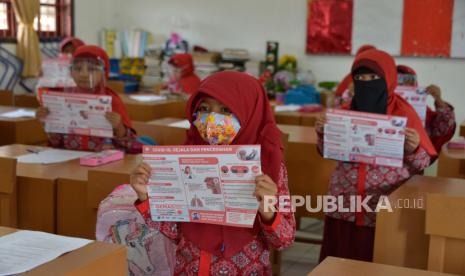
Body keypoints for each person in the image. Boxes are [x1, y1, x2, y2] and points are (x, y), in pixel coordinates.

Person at [131, 71, 295, 274]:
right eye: (204, 109)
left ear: (250, 111)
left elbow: (284, 239)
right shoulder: (186, 158)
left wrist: (268, 209)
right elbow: (174, 232)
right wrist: (145, 196)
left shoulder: (269, 166)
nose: (212, 119)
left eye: (226, 110)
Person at [315, 49, 436, 262]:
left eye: (373, 77)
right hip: (344, 204)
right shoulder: (344, 111)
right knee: (339, 263)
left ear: (388, 79)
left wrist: (414, 149)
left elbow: (423, 163)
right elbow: (327, 151)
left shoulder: (404, 114)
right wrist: (323, 133)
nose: (366, 83)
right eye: (359, 78)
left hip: (384, 207)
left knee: (377, 263)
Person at [36, 45, 140, 153]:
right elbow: (57, 142)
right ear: (71, 71)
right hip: (70, 162)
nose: (84, 74)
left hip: (105, 163)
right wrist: (47, 121)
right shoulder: (63, 98)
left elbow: (129, 144)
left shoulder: (111, 100)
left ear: (103, 72)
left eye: (92, 69)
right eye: (77, 68)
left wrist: (119, 126)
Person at [397, 65, 456, 153]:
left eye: (407, 81)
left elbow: (442, 128)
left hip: (414, 160)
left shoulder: (422, 110)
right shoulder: (378, 106)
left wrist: (438, 99)